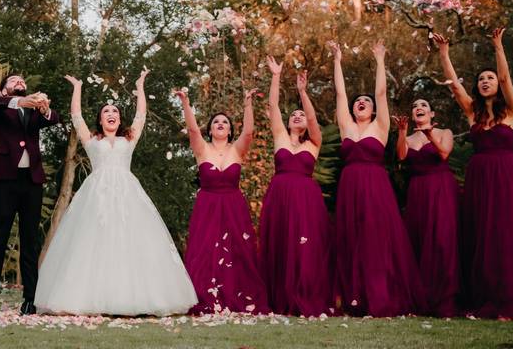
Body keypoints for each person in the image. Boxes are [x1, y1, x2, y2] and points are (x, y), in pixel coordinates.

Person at [34, 70, 197, 316]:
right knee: (92, 243)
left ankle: (133, 298)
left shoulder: (129, 139)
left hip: (127, 195)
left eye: (115, 112)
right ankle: (91, 298)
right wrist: (77, 88)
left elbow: (141, 115)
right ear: (100, 120)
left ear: (120, 121)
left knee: (130, 242)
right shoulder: (91, 140)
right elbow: (76, 116)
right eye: (106, 112)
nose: (111, 115)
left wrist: (140, 86)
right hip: (95, 198)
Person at [434, 29, 513, 320]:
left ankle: (510, 303)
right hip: (479, 178)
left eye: (489, 78)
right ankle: (484, 300)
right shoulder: (473, 114)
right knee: (481, 238)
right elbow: (455, 88)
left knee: (507, 236)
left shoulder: (511, 110)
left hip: (506, 177)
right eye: (480, 79)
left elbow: (505, 79)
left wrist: (499, 47)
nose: (485, 81)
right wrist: (444, 54)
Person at [330, 40, 423, 316]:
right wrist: (337, 60)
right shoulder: (346, 125)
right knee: (351, 238)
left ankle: (380, 294)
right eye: (358, 101)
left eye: (366, 101)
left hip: (375, 187)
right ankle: (354, 297)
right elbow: (339, 94)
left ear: (372, 110)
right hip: (349, 187)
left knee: (376, 238)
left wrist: (381, 59)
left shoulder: (380, 126)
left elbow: (381, 93)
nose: (361, 102)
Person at [175, 87, 269, 315]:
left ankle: (239, 295)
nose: (220, 124)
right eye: (216, 121)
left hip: (233, 206)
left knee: (238, 251)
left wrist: (248, 104)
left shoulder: (237, 150)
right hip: (207, 206)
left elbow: (248, 133)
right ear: (210, 129)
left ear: (229, 130)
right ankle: (204, 295)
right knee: (204, 251)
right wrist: (186, 103)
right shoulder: (202, 149)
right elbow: (192, 130)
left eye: (225, 122)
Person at [0, 73, 60, 317]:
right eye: (14, 81)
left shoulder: (35, 112)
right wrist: (21, 101)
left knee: (30, 241)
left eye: (22, 81)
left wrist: (44, 109)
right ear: (4, 90)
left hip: (31, 182)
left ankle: (30, 300)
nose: (20, 83)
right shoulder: (0, 106)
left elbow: (55, 119)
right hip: (4, 180)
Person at [258, 57, 332, 317]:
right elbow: (273, 105)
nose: (298, 116)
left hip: (305, 198)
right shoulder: (279, 136)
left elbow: (311, 118)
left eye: (301, 115)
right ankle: (280, 296)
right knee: (281, 241)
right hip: (279, 195)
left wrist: (303, 93)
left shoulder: (314, 143)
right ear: (288, 123)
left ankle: (305, 293)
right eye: (294, 115)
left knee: (305, 245)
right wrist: (276, 76)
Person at [394, 98, 460, 317]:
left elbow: (444, 154)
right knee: (418, 240)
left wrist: (430, 133)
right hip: (417, 190)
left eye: (423, 105)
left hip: (441, 187)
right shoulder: (410, 137)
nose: (418, 108)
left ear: (432, 114)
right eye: (414, 106)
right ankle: (420, 298)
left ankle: (445, 298)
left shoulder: (444, 132)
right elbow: (402, 156)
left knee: (442, 240)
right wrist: (402, 132)